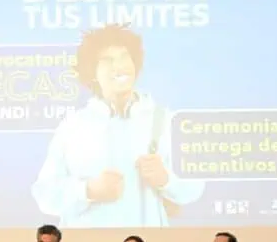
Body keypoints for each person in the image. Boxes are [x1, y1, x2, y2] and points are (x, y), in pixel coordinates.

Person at [31, 24, 204, 228]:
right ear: (93, 72)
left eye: (124, 57)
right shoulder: (73, 127)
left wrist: (166, 179)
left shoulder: (164, 120)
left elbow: (194, 187)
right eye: (107, 60)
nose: (119, 66)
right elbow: (45, 194)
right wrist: (89, 190)